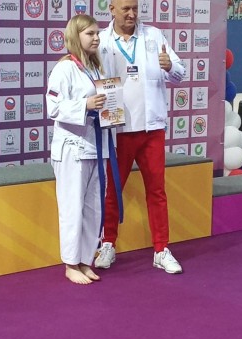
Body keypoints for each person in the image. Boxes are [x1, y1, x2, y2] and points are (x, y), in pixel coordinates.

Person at [95, 0, 186, 274]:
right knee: (113, 191)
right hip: (118, 130)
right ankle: (107, 244)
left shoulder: (154, 35)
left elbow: (180, 74)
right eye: (126, 9)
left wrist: (169, 66)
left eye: (135, 8)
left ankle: (161, 249)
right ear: (111, 9)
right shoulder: (101, 41)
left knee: (157, 191)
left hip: (151, 129)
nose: (132, 14)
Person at [46, 14, 110, 284]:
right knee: (72, 208)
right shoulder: (64, 68)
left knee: (94, 208)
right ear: (76, 36)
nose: (96, 38)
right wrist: (85, 105)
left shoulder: (97, 69)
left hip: (97, 145)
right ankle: (70, 264)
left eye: (97, 33)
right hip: (72, 148)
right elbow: (53, 108)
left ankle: (85, 260)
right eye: (90, 34)